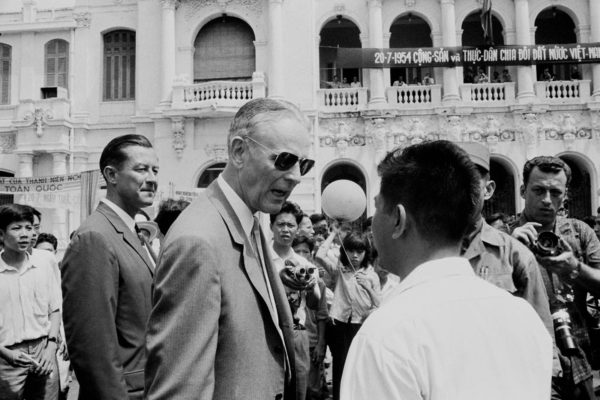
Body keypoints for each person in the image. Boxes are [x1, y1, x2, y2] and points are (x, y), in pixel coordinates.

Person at [341, 140, 553, 400]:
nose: (372, 224)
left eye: (376, 208)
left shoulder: (387, 334)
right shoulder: (523, 318)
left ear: (398, 220)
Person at [145, 98, 314, 400]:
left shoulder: (249, 220)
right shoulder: (197, 242)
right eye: (284, 160)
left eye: (304, 164)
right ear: (239, 151)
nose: (296, 176)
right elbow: (181, 389)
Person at [61, 134, 158, 400]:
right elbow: (92, 349)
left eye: (155, 170)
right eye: (141, 169)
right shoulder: (95, 237)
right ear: (111, 175)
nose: (152, 178)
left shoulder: (133, 232)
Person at [458, 142, 560, 378]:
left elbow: (540, 329)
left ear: (488, 189)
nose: (459, 189)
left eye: (470, 180)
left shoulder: (513, 253)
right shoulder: (424, 252)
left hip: (501, 376)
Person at [510, 156, 600, 400]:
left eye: (555, 192)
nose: (547, 200)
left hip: (577, 355)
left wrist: (576, 268)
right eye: (538, 190)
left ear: (566, 195)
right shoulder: (505, 237)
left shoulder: (580, 233)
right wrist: (509, 251)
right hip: (525, 359)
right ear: (522, 190)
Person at [0, 204, 61, 400]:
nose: (25, 234)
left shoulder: (45, 262)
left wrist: (51, 348)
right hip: (6, 358)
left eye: (29, 227)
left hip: (44, 350)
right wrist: (5, 353)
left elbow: (55, 309)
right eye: (16, 228)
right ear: (1, 234)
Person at [315, 230, 381, 400]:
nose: (355, 256)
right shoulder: (340, 271)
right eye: (351, 251)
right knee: (340, 368)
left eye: (360, 251)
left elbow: (379, 305)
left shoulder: (371, 275)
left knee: (359, 368)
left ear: (366, 253)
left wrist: (367, 286)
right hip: (339, 325)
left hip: (360, 326)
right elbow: (320, 254)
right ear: (345, 252)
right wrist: (334, 234)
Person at [270, 201, 321, 400]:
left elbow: (314, 305)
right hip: (269, 331)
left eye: (290, 225)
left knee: (298, 389)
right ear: (271, 226)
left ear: (297, 228)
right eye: (280, 224)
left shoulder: (305, 264)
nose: (285, 230)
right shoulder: (260, 259)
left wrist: (310, 289)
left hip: (297, 332)